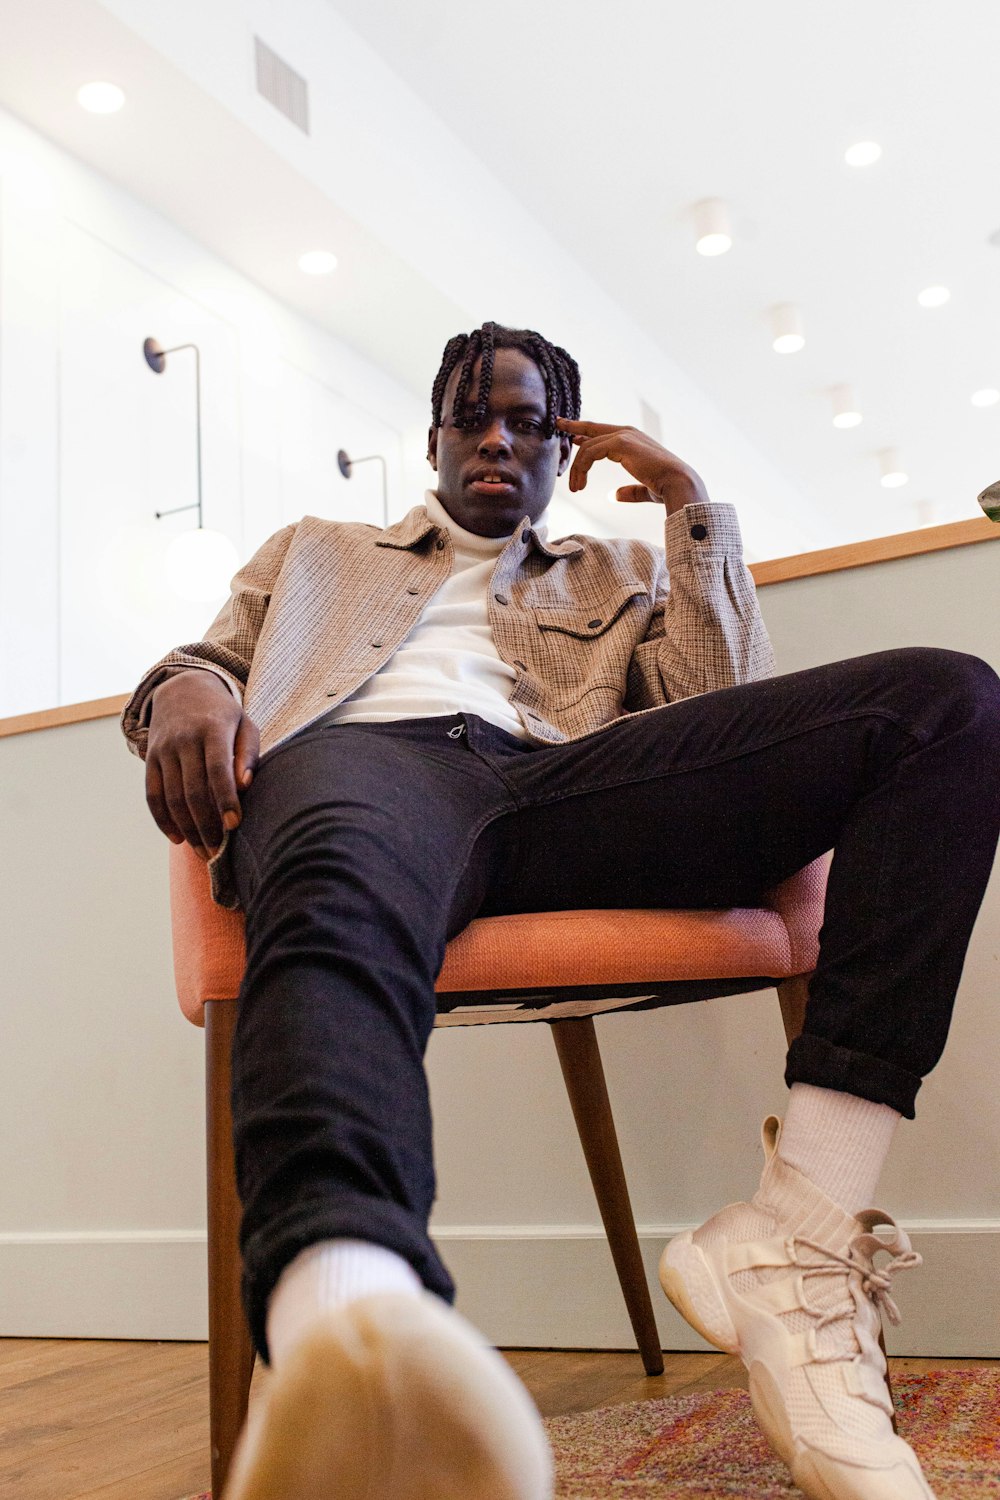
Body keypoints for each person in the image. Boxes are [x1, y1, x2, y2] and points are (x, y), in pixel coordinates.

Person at [122, 321, 1000, 1500]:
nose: (496, 439)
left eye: (528, 421)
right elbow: (216, 659)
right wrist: (180, 686)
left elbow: (720, 705)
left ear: (563, 449)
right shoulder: (317, 547)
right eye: (471, 418)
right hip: (368, 769)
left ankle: (802, 1226)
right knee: (336, 878)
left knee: (947, 704)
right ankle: (349, 1314)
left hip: (573, 789)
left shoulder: (612, 572)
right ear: (432, 438)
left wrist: (688, 506)